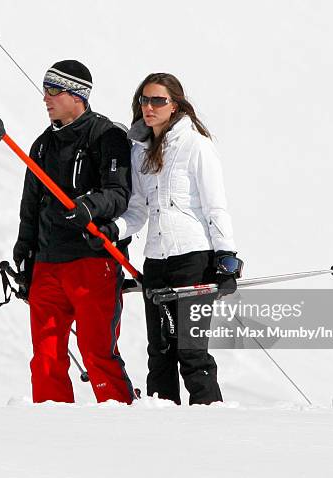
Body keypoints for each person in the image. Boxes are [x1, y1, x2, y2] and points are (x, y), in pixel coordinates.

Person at [89, 72, 243, 405]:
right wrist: (113, 230)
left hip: (193, 260)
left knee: (190, 353)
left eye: (158, 100)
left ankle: (210, 422)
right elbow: (138, 210)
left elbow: (215, 206)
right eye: (145, 100)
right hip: (156, 262)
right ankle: (163, 429)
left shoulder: (196, 145)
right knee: (159, 354)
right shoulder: (139, 151)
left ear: (175, 105)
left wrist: (226, 258)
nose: (149, 107)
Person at [12, 60, 136, 404]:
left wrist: (88, 207)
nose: (45, 98)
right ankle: (53, 429)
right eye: (45, 89)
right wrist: (25, 254)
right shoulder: (41, 145)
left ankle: (121, 423)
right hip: (48, 265)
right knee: (46, 359)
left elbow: (118, 193)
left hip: (93, 262)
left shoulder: (106, 136)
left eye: (53, 90)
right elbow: (31, 205)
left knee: (97, 353)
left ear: (77, 95)